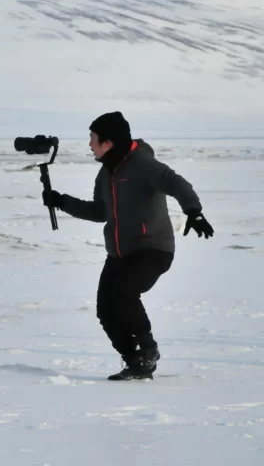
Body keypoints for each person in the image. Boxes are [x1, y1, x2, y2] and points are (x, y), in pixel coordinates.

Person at [43, 111, 214, 380]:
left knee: (124, 293)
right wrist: (62, 202)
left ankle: (148, 350)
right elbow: (101, 212)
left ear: (108, 142)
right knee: (105, 309)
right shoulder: (105, 173)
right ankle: (134, 361)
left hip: (153, 249)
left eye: (93, 138)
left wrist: (193, 211)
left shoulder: (143, 164)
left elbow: (176, 182)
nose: (89, 144)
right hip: (119, 254)